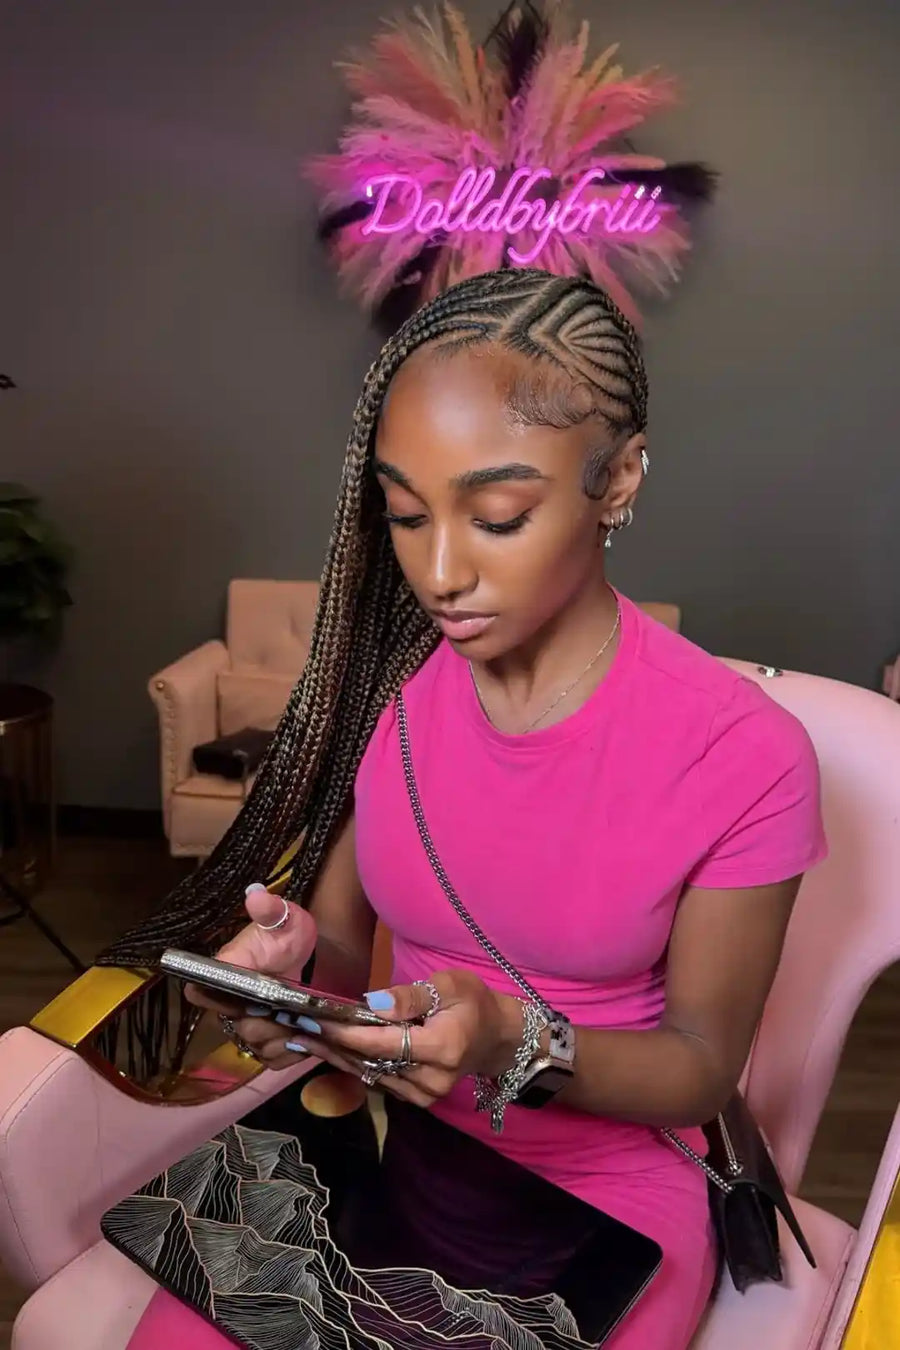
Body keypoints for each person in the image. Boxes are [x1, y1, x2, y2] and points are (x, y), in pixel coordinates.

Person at [119, 269, 826, 1349]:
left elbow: (698, 1069)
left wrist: (511, 1040)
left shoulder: (742, 753)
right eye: (406, 514)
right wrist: (291, 978)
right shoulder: (392, 697)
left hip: (606, 1195)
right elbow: (342, 954)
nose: (439, 571)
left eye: (498, 517)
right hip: (389, 1148)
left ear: (619, 478)